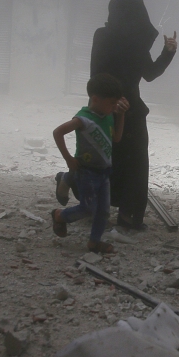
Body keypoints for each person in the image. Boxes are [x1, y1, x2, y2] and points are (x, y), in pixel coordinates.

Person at [56, 0, 177, 231]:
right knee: (99, 162)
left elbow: (149, 73)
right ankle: (70, 179)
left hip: (132, 110)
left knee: (135, 163)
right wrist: (111, 102)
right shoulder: (103, 36)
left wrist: (168, 52)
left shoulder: (137, 41)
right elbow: (96, 75)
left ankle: (128, 215)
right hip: (106, 109)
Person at [50, 73, 129, 254]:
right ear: (95, 99)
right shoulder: (83, 119)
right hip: (86, 172)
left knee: (104, 211)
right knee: (87, 208)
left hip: (104, 172)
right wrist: (68, 159)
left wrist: (121, 115)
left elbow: (117, 138)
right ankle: (59, 215)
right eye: (111, 103)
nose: (114, 107)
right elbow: (58, 132)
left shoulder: (108, 115)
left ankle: (94, 242)